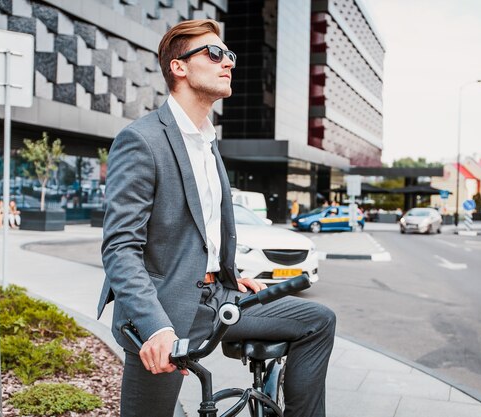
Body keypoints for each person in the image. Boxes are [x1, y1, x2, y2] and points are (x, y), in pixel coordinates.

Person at [98, 19, 335, 417]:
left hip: (217, 298)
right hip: (164, 311)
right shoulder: (142, 140)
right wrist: (155, 327)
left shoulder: (208, 143)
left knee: (318, 320)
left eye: (231, 55)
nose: (229, 63)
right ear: (180, 67)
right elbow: (121, 248)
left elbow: (201, 232)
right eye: (215, 53)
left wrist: (226, 273)